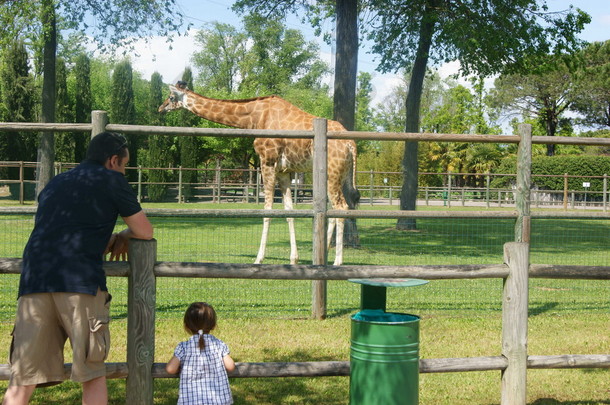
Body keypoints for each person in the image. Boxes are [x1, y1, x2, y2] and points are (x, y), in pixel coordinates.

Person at [2, 132, 154, 405]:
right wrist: (122, 236)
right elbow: (143, 230)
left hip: (35, 281)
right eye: (124, 164)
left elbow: (67, 226)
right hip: (80, 282)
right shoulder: (112, 180)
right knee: (91, 372)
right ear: (113, 160)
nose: (124, 170)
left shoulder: (56, 183)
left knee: (23, 377)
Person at [166, 302, 236, 405]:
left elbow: (170, 369)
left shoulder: (184, 347)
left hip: (191, 401)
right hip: (218, 401)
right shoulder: (219, 345)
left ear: (186, 326)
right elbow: (230, 366)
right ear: (213, 326)